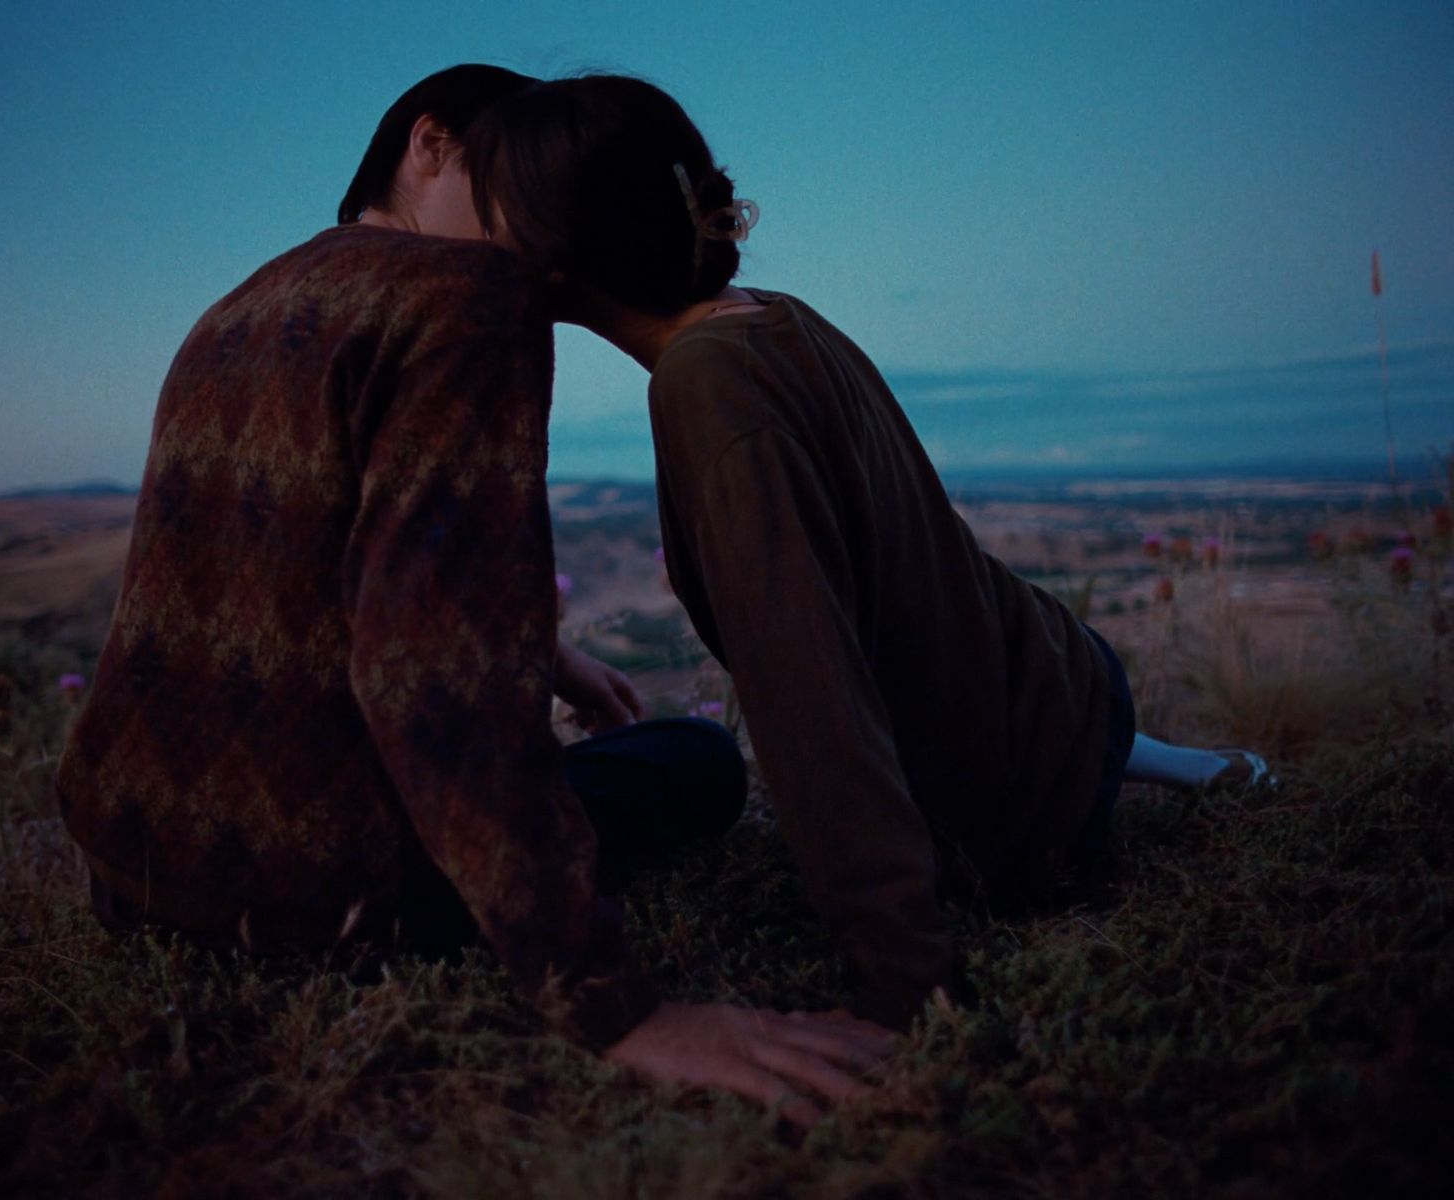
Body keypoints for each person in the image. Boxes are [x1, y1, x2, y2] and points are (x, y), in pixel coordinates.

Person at [57, 66, 898, 1123]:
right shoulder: (467, 297)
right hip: (317, 895)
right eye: (508, 178)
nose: (532, 235)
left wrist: (544, 654)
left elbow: (292, 556)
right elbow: (427, 681)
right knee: (696, 761)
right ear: (430, 143)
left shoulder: (237, 306)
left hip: (132, 869)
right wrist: (618, 1009)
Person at [464, 74, 1272, 1037]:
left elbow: (810, 689)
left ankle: (1105, 780)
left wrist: (903, 978)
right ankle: (1146, 764)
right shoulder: (770, 315)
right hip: (1063, 684)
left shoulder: (704, 385)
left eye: (491, 217)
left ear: (557, 256)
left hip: (1003, 819)